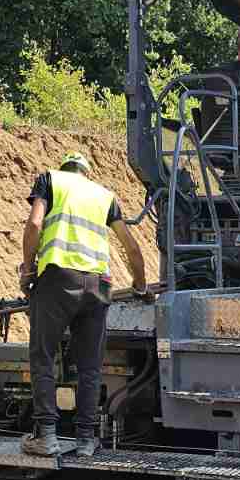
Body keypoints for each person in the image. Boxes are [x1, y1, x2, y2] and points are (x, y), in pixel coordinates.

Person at [19, 152, 147, 459]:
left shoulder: (51, 180)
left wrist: (28, 270)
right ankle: (87, 440)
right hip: (98, 286)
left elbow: (35, 225)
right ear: (87, 173)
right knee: (90, 367)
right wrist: (140, 285)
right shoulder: (104, 195)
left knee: (43, 356)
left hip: (58, 280)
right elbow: (131, 245)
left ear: (64, 168)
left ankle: (47, 436)